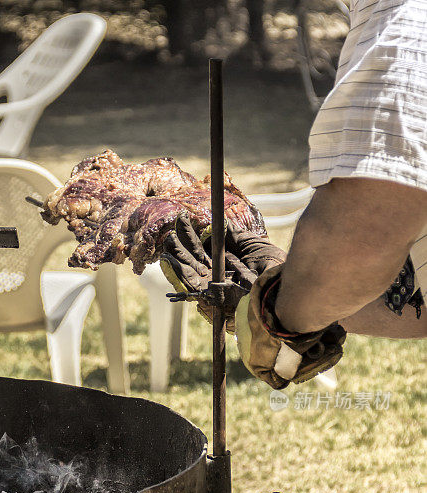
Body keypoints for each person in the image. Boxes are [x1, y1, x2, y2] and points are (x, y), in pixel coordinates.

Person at [160, 0, 427, 389]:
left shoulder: (406, 29)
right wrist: (293, 292)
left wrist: (276, 319)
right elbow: (417, 303)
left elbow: (366, 230)